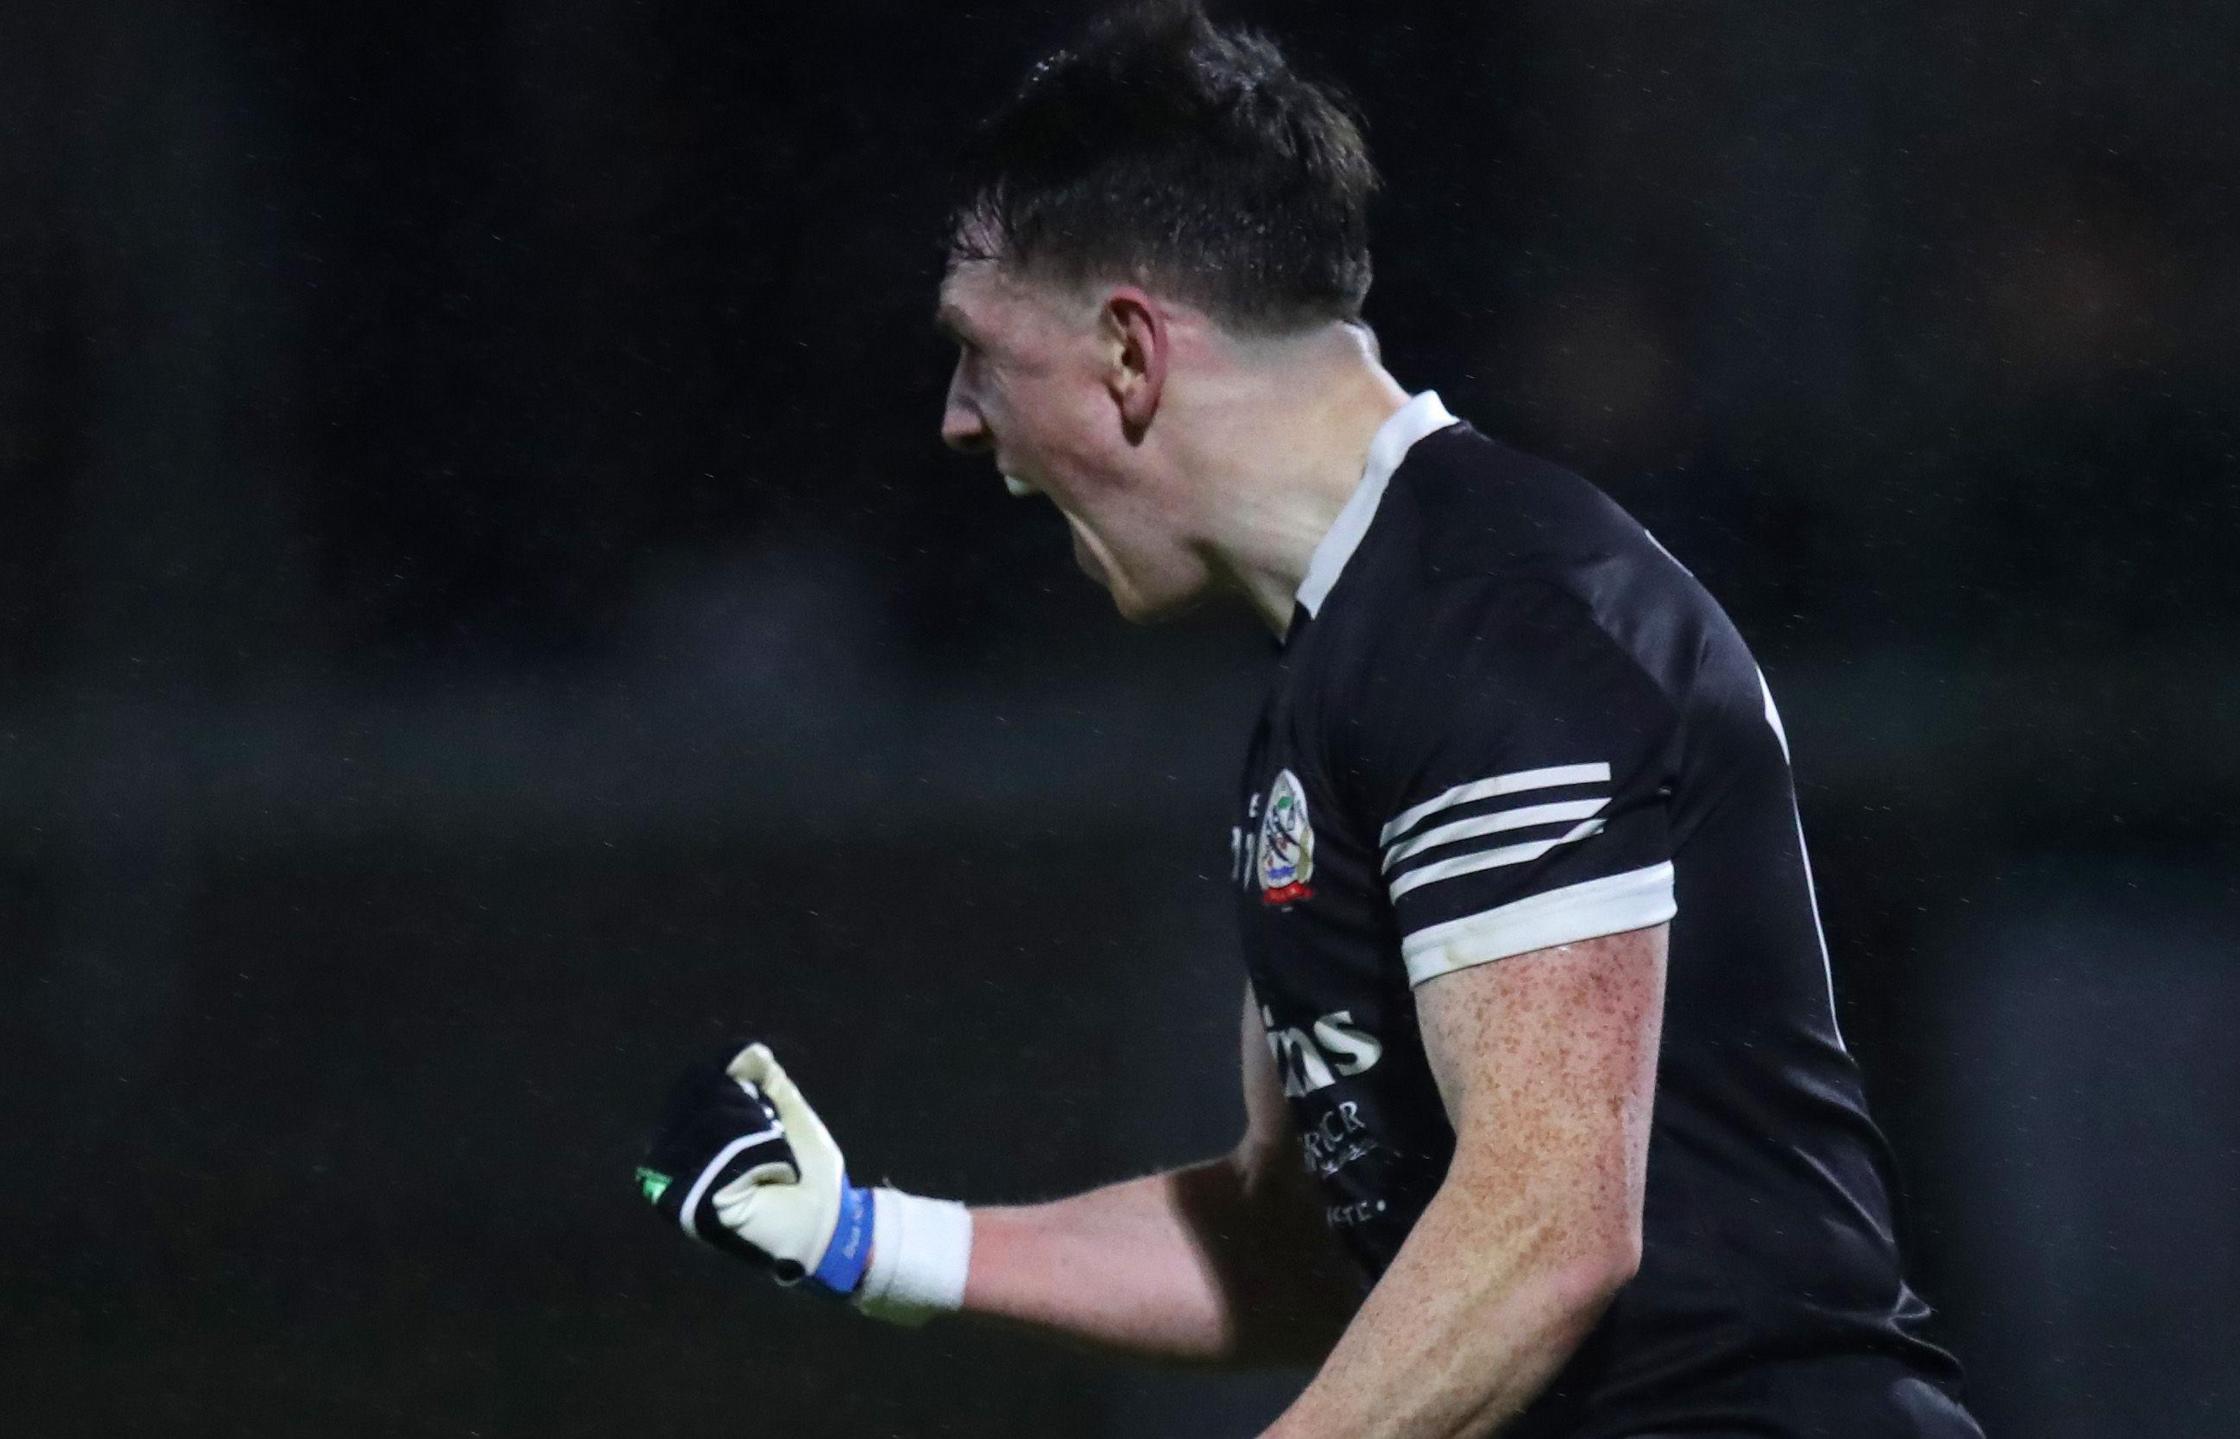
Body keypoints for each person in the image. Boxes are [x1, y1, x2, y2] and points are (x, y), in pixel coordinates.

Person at [637, 5, 1980, 1435]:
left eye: (978, 350)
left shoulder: (1502, 623)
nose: (962, 421)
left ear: (1129, 353)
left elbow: (1545, 1233)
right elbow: (1305, 1251)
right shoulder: (1346, 664)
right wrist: (869, 1240)